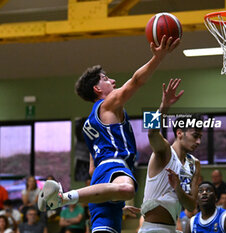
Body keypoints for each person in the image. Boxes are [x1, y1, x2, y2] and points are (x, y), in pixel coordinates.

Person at [37, 35, 179, 233]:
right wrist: (159, 57)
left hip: (102, 183)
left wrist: (114, 198)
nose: (112, 80)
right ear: (97, 89)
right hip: (115, 169)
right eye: (105, 79)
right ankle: (62, 198)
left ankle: (87, 195)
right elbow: (137, 81)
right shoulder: (107, 105)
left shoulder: (90, 124)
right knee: (127, 189)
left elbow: (91, 169)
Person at [139, 79, 202, 232]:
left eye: (201, 137)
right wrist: (164, 106)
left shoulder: (195, 163)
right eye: (195, 136)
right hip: (152, 229)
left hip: (173, 228)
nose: (199, 141)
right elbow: (152, 132)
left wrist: (178, 187)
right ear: (179, 133)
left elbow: (191, 205)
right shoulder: (165, 151)